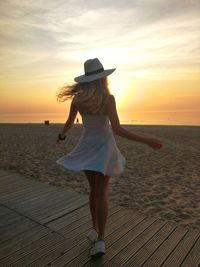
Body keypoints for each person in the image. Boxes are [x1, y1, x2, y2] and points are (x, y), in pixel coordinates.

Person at [55, 58, 163, 257]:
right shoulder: (108, 98)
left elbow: (69, 123)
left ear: (86, 80)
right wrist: (147, 140)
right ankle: (101, 240)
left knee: (93, 191)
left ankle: (94, 229)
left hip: (87, 147)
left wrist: (62, 135)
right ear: (102, 78)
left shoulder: (78, 99)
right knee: (101, 193)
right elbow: (118, 129)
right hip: (104, 148)